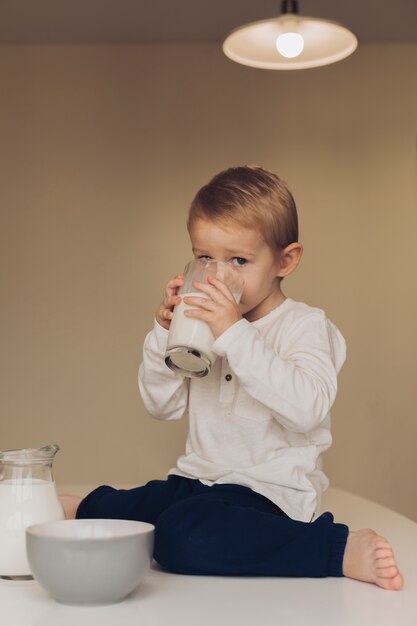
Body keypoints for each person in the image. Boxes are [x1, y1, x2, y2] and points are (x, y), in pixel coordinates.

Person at [61, 166, 403, 590]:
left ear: (286, 260)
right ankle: (82, 509)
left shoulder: (304, 326)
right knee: (141, 502)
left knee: (180, 535)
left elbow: (307, 409)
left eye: (238, 260)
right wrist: (164, 334)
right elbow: (161, 406)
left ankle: (335, 547)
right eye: (205, 258)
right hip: (198, 481)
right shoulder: (201, 324)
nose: (218, 275)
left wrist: (234, 334)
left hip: (269, 495)